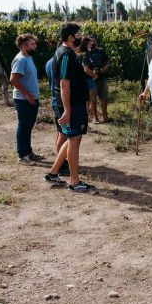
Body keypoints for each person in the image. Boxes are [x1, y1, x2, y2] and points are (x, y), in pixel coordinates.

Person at [44, 23, 96, 192]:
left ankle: (53, 173)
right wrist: (67, 110)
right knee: (74, 139)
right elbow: (64, 83)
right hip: (71, 105)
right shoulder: (65, 54)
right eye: (78, 34)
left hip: (74, 104)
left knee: (72, 137)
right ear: (70, 37)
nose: (81, 37)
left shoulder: (67, 53)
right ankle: (74, 182)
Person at [10, 33, 42, 164]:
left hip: (31, 98)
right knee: (23, 125)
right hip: (23, 99)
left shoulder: (28, 58)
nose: (35, 46)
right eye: (32, 44)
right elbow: (14, 80)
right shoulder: (21, 59)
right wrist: (27, 94)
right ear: (24, 46)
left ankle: (28, 152)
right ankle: (22, 155)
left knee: (28, 125)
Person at [44, 47, 69, 176]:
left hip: (55, 99)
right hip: (61, 101)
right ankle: (61, 163)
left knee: (60, 132)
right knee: (64, 134)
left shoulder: (49, 62)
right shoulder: (61, 61)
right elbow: (63, 83)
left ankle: (61, 159)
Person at [82, 35, 111, 123]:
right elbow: (85, 68)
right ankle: (95, 118)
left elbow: (107, 60)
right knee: (93, 100)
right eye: (91, 41)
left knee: (104, 98)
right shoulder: (86, 53)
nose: (93, 43)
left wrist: (106, 66)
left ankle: (105, 117)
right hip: (92, 79)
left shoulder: (101, 51)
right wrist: (93, 73)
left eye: (94, 41)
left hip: (102, 78)